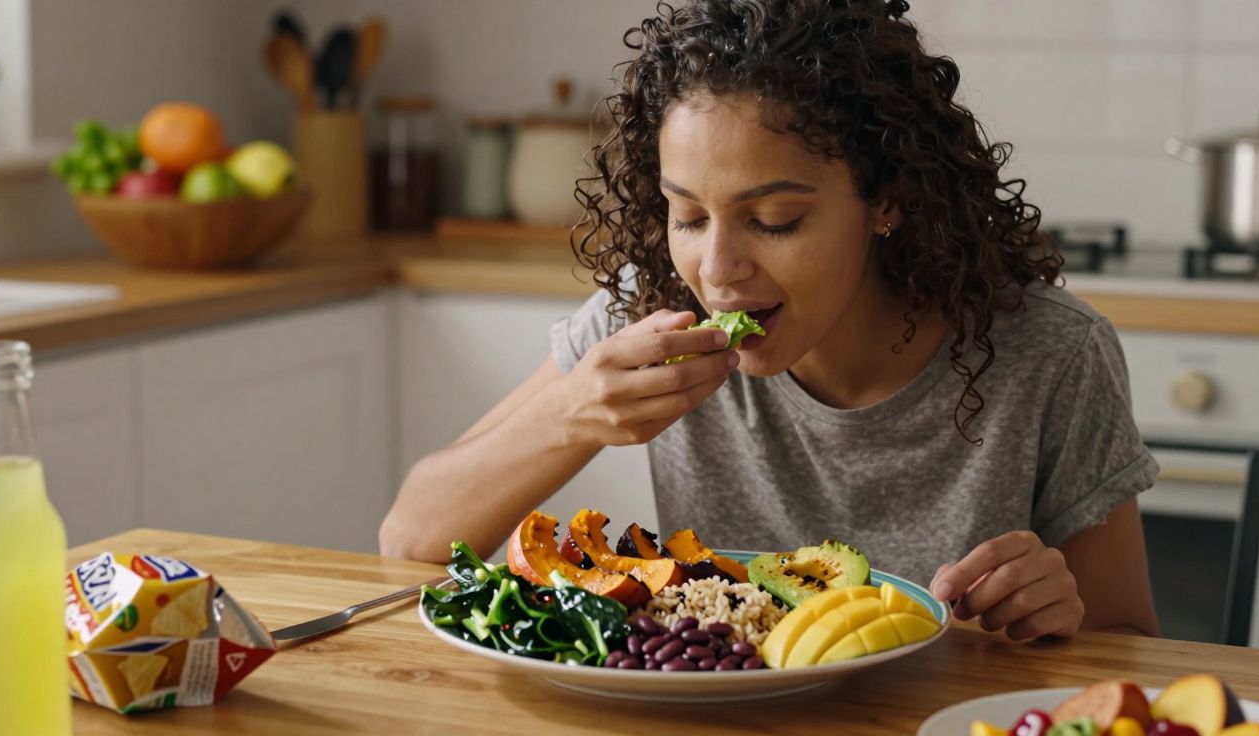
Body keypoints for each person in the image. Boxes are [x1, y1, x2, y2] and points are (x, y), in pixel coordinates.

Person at [381, 0, 1161, 640]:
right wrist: (572, 416)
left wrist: (1064, 613)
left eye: (776, 219)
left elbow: (1131, 644)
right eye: (688, 216)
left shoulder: (1050, 352)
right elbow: (410, 539)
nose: (718, 271)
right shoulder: (654, 312)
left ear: (886, 198)